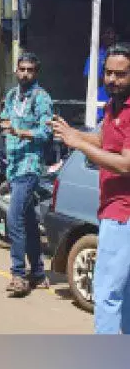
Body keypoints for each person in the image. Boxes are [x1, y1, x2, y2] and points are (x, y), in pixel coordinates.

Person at [51, 44, 130, 334]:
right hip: (113, 209)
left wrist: (79, 144)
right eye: (108, 72)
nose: (112, 79)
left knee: (107, 293)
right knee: (123, 293)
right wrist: (76, 135)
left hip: (123, 214)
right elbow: (107, 142)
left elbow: (124, 164)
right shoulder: (113, 106)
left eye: (120, 74)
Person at [0, 52, 53, 297]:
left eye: (30, 70)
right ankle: (37, 272)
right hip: (13, 165)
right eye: (21, 69)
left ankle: (18, 274)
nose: (25, 73)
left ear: (36, 73)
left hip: (30, 166)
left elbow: (46, 132)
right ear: (16, 70)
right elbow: (6, 118)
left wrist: (18, 131)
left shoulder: (41, 98)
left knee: (13, 218)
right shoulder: (12, 95)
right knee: (27, 221)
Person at [84, 27, 117, 123]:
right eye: (107, 33)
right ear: (101, 36)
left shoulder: (122, 55)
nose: (110, 36)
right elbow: (88, 79)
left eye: (112, 34)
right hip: (100, 106)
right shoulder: (96, 56)